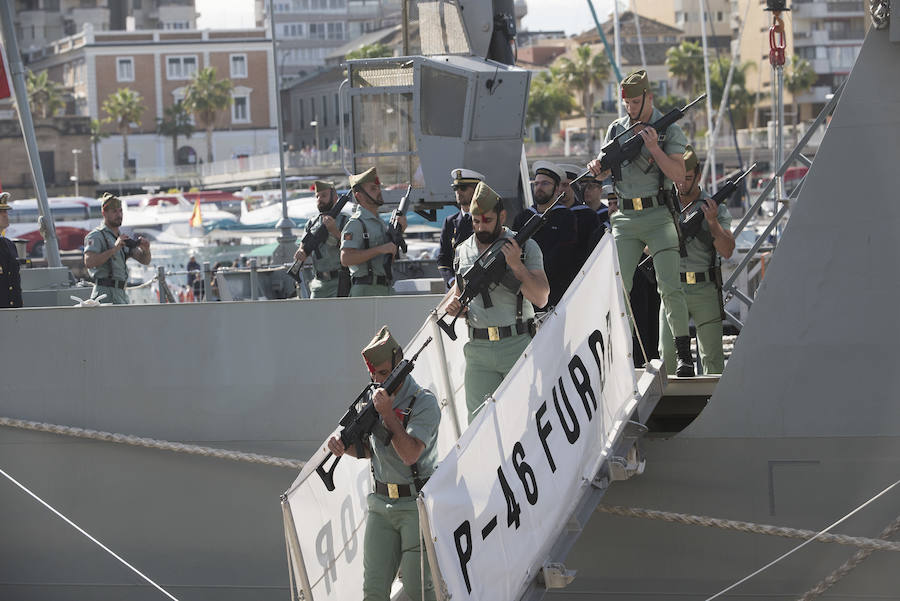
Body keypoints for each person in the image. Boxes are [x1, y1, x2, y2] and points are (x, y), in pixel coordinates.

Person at [588, 69, 695, 376]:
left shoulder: (668, 129)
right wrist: (596, 166)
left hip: (658, 214)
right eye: (627, 103)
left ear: (649, 97)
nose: (630, 109)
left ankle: (684, 356)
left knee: (670, 286)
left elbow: (678, 176)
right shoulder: (617, 128)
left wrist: (653, 148)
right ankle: (614, 355)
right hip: (624, 217)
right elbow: (603, 169)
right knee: (619, 287)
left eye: (636, 102)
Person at [326, 326, 440, 601]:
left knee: (419, 590)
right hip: (380, 505)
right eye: (373, 374)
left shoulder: (423, 402)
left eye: (384, 373)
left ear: (400, 366)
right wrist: (342, 446)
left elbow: (410, 454)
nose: (378, 380)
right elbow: (367, 449)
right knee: (374, 592)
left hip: (414, 506)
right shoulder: (372, 399)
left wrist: (388, 415)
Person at [446, 182, 549, 422]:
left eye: (487, 220)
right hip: (478, 349)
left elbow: (542, 298)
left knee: (526, 419)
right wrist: (456, 308)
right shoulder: (463, 251)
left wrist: (517, 266)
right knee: (478, 424)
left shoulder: (524, 246)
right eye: (476, 221)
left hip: (517, 343)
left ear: (502, 216)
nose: (481, 227)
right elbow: (461, 297)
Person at [660, 145, 735, 375]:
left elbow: (727, 250)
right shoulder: (663, 204)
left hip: (705, 288)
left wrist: (712, 223)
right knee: (668, 358)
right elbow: (647, 247)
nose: (681, 183)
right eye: (677, 177)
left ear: (699, 176)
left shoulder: (714, 206)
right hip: (673, 288)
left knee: (712, 357)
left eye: (687, 178)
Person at [512, 161, 577, 308]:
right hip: (526, 289)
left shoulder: (566, 217)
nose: (539, 188)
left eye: (545, 184)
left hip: (556, 289)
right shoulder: (523, 217)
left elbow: (564, 254)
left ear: (556, 189)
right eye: (537, 184)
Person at [340, 167, 406, 297]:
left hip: (385, 288)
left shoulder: (379, 222)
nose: (379, 192)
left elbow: (387, 258)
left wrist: (399, 232)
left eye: (378, 188)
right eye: (373, 189)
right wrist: (380, 249)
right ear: (359, 195)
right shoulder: (356, 223)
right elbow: (346, 258)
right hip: (365, 291)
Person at [83, 193, 151, 304]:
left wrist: (146, 249)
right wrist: (114, 249)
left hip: (121, 293)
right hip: (104, 293)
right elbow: (89, 262)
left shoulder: (121, 238)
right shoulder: (96, 236)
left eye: (120, 211)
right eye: (114, 211)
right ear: (104, 213)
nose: (119, 215)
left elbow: (145, 260)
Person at [294, 180, 350, 298]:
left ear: (335, 197)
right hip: (318, 283)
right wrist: (301, 253)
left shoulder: (346, 220)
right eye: (317, 196)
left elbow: (351, 248)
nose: (320, 199)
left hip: (340, 281)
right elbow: (303, 246)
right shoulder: (312, 223)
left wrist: (334, 231)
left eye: (324, 195)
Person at [436, 168, 482, 288]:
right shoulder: (450, 222)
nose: (458, 192)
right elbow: (443, 258)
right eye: (456, 188)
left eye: (463, 188)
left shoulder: (486, 221)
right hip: (454, 288)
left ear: (477, 190)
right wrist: (451, 281)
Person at [559, 163, 602, 269]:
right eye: (558, 185)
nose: (561, 190)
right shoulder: (550, 214)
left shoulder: (588, 215)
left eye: (565, 185)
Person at [0, 193, 23, 308]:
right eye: (1, 212)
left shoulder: (10, 245)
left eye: (6, 212)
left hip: (11, 309)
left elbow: (14, 281)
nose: (5, 215)